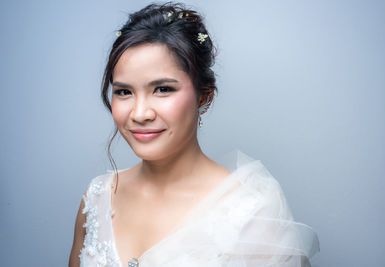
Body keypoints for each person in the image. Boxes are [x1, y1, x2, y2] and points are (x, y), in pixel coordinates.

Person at [69, 2, 320, 266]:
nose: (140, 113)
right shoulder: (98, 197)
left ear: (204, 96)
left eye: (163, 89)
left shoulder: (250, 213)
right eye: (124, 92)